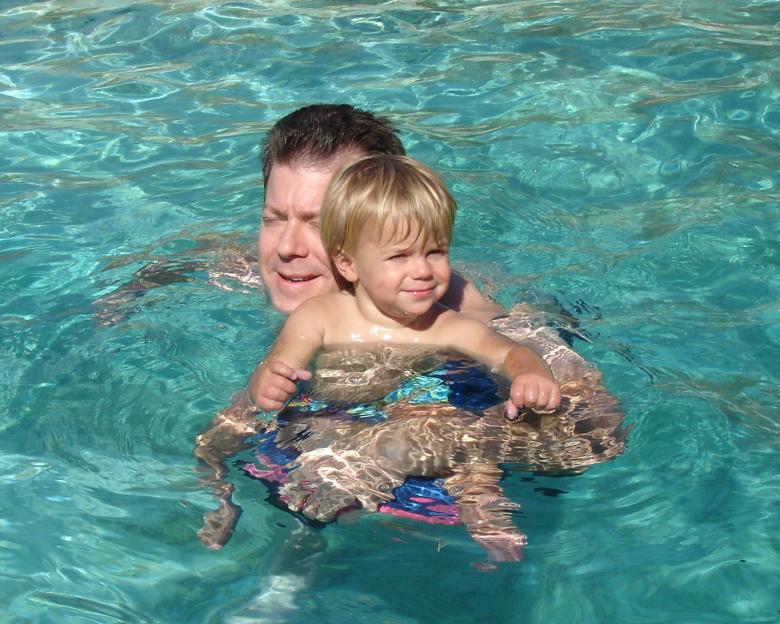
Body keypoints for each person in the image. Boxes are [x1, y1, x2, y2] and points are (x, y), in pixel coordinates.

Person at [194, 104, 624, 557]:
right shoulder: (288, 277)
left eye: (318, 222)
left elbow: (594, 440)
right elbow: (190, 261)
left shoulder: (464, 315)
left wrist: (407, 446)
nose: (285, 249)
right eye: (273, 218)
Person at [248, 153, 561, 419]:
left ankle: (477, 492)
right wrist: (266, 385)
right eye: (399, 256)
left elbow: (510, 354)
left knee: (458, 436)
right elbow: (276, 367)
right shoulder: (317, 317)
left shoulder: (448, 327)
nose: (423, 270)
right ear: (348, 264)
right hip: (333, 416)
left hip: (417, 418)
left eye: (435, 252)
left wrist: (531, 375)